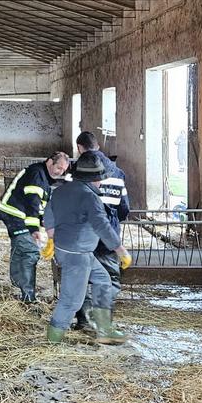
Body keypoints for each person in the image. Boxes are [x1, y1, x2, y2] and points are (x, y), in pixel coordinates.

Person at [43, 152, 130, 344]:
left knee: (103, 281)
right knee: (71, 300)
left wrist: (51, 236)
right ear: (93, 179)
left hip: (69, 250)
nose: (100, 183)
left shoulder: (60, 190)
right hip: (78, 255)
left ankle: (104, 329)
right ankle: (53, 340)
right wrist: (119, 249)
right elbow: (102, 225)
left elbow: (48, 212)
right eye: (99, 179)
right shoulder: (90, 198)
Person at [72, 131, 130, 332]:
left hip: (82, 237)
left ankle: (84, 321)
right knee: (109, 279)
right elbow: (124, 209)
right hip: (107, 239)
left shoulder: (77, 171)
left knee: (83, 278)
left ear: (80, 147)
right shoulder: (118, 172)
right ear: (97, 145)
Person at [0, 151, 70, 305]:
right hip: (15, 215)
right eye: (59, 168)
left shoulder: (43, 176)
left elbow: (41, 207)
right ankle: (28, 298)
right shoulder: (37, 175)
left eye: (63, 170)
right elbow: (32, 203)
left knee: (24, 250)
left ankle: (19, 284)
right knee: (29, 251)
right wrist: (34, 229)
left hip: (19, 215)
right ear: (50, 162)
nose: (60, 172)